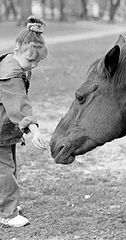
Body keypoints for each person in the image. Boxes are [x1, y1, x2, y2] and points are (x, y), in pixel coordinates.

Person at [0, 16, 47, 227]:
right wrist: (34, 129)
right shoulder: (11, 76)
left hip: (4, 130)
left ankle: (6, 205)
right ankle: (8, 214)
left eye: (38, 62)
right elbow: (20, 104)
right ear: (17, 49)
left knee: (9, 167)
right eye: (30, 61)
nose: (34, 66)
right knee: (5, 171)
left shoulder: (10, 60)